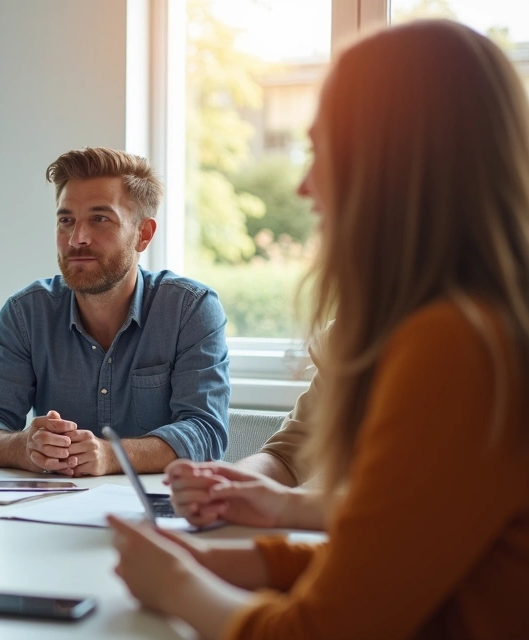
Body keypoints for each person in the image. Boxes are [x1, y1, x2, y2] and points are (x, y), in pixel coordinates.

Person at [109, 20, 529, 639]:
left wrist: (173, 583)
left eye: (323, 150)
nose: (305, 186)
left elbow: (320, 631)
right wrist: (221, 559)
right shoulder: (483, 325)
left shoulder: (454, 346)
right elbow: (387, 558)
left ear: (391, 164)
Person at [0, 148, 229, 475]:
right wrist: (24, 446)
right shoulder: (26, 313)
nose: (77, 239)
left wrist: (111, 455)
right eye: (66, 221)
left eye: (100, 219)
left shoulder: (190, 309)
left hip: (155, 503)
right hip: (54, 502)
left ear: (143, 234)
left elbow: (205, 432)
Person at [165, 341, 325, 529]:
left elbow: (358, 511)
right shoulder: (341, 343)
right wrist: (226, 485)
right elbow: (286, 456)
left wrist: (288, 506)